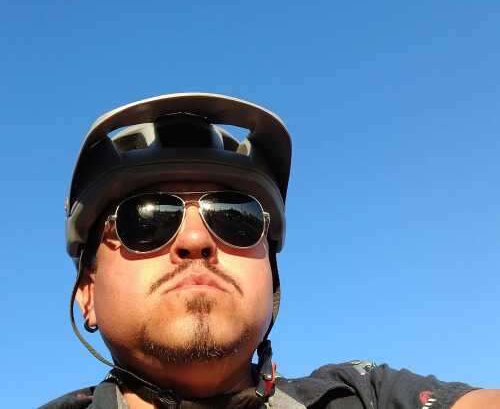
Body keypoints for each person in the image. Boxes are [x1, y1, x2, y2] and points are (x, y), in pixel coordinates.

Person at [42, 93, 499, 409]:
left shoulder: (365, 396)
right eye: (145, 220)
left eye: (235, 219)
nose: (196, 241)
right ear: (87, 291)